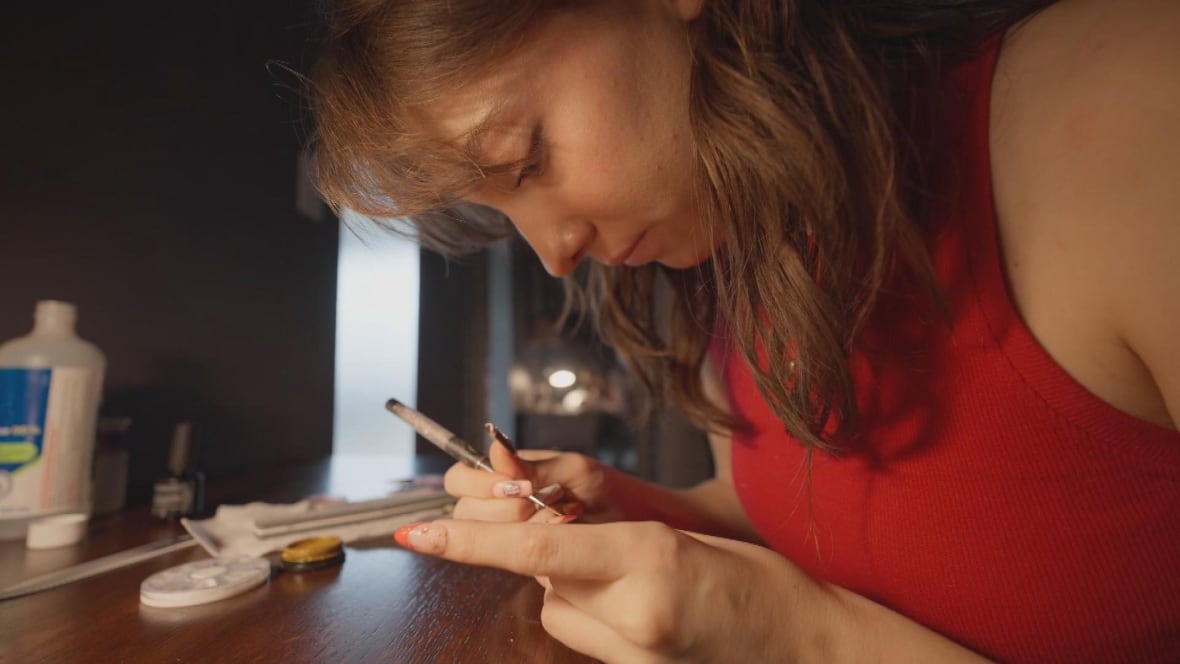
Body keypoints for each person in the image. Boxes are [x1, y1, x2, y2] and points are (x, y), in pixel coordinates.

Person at [309, 0, 1180, 661]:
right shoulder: (742, 241)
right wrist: (640, 514)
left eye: (528, 158)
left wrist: (805, 640)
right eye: (501, 209)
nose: (556, 257)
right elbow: (800, 515)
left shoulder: (1136, 106)